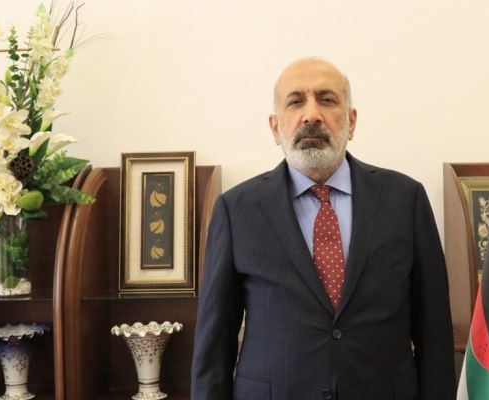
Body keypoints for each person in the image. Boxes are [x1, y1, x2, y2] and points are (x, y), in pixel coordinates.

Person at [191, 57, 457, 400]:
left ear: (351, 121)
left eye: (327, 99)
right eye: (295, 101)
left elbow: (434, 332)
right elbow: (214, 344)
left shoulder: (406, 200)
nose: (312, 115)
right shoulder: (236, 209)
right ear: (275, 127)